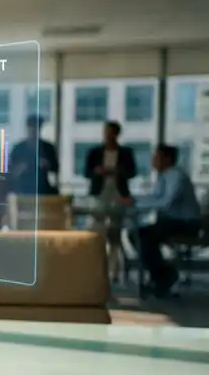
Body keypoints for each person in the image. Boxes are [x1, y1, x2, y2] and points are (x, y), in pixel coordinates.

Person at [121, 144, 202, 296]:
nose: (153, 160)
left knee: (144, 236)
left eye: (156, 157)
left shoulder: (176, 176)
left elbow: (165, 202)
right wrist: (134, 200)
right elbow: (155, 197)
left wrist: (136, 204)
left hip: (187, 223)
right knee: (136, 234)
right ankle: (163, 274)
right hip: (173, 221)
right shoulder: (164, 176)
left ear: (167, 159)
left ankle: (163, 276)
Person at [84, 121, 136, 203]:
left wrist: (120, 171)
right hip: (98, 193)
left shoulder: (126, 153)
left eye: (111, 133)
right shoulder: (94, 152)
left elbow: (132, 173)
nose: (108, 136)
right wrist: (97, 171)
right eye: (106, 133)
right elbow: (86, 173)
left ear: (117, 134)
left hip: (120, 193)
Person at [8, 114, 59, 195]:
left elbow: (56, 168)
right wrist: (20, 168)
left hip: (43, 188)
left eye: (36, 128)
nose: (34, 131)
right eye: (32, 128)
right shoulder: (18, 148)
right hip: (21, 189)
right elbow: (10, 170)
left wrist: (47, 164)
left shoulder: (48, 147)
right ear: (27, 129)